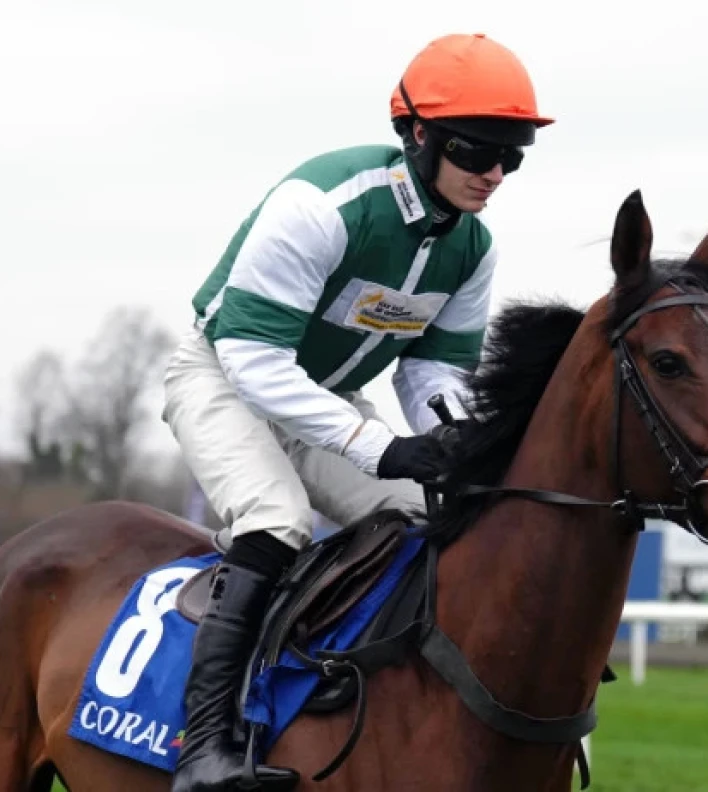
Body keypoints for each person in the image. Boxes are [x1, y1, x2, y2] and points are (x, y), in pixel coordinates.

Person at [162, 32, 553, 792]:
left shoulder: (472, 248)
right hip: (222, 376)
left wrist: (455, 441)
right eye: (478, 151)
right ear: (418, 134)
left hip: (326, 397)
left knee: (430, 515)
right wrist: (378, 445)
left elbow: (432, 368)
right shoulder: (322, 206)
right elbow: (252, 360)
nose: (495, 174)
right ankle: (203, 745)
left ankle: (379, 701)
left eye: (514, 157)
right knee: (276, 519)